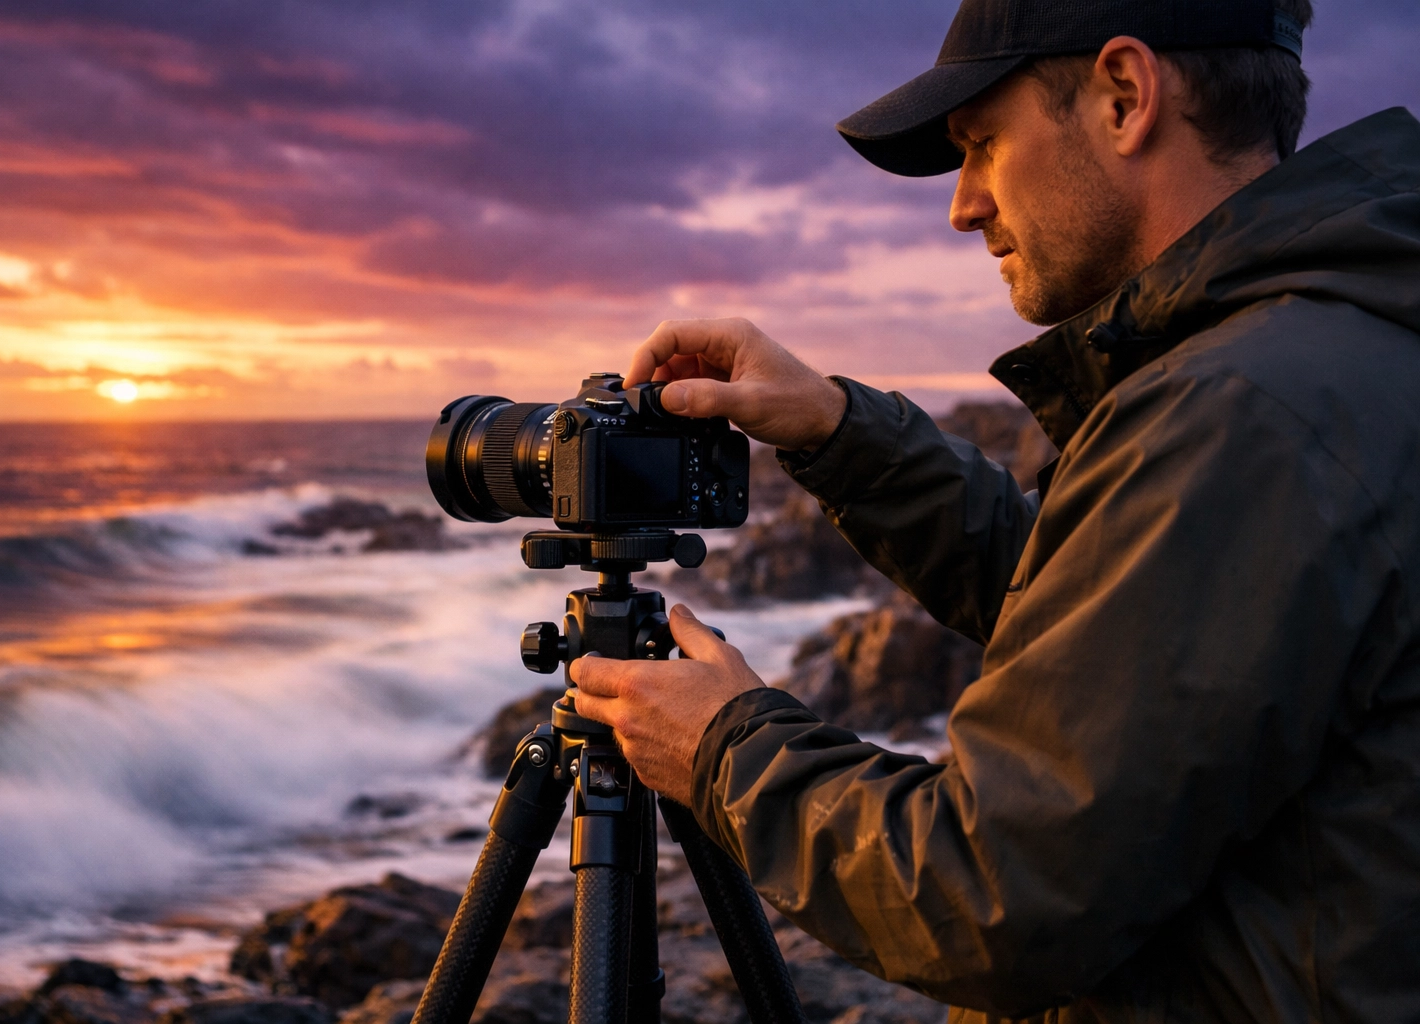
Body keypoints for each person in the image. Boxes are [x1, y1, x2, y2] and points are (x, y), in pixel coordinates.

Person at [568, 0, 1420, 1020]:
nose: (963, 206)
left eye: (982, 145)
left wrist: (724, 752)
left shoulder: (1243, 407)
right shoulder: (1334, 352)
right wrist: (837, 429)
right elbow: (1127, 629)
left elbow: (998, 894)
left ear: (1125, 96)